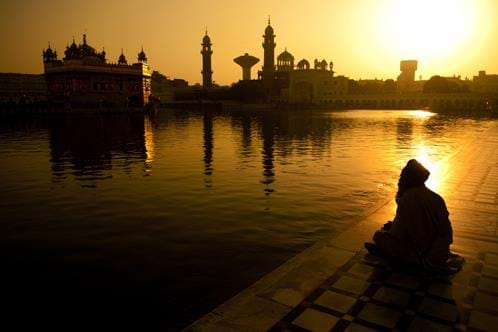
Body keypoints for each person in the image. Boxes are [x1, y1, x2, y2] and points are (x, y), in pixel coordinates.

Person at [365, 159, 454, 270]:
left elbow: (397, 234)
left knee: (378, 235)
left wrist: (390, 229)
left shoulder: (407, 199)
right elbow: (447, 235)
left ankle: (396, 256)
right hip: (442, 255)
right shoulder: (437, 198)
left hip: (422, 257)